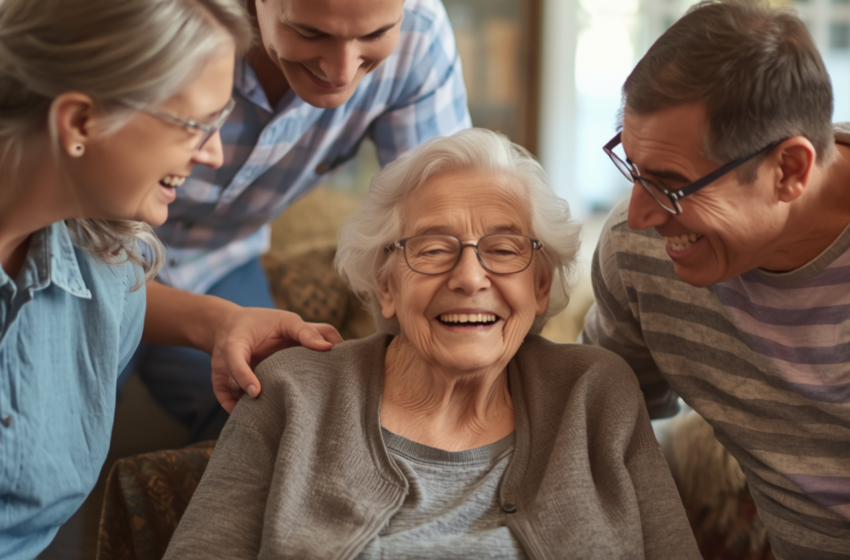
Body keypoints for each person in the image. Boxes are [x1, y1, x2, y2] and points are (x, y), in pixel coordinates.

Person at [163, 129, 700, 560]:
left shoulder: (595, 395)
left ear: (540, 287)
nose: (469, 277)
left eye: (504, 248)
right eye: (434, 248)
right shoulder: (294, 391)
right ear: (387, 286)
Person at [0, 0, 339, 557]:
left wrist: (222, 321)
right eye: (195, 125)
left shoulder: (103, 260)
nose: (214, 153)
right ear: (80, 122)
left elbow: (101, 298)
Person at [126, 0, 472, 441]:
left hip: (220, 259)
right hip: (90, 251)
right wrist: (216, 322)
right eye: (311, 34)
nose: (343, 72)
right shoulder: (154, 18)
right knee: (50, 470)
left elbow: (444, 219)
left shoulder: (420, 36)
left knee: (282, 428)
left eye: (374, 35)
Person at [580, 0, 850, 557]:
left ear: (790, 170)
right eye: (633, 167)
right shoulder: (640, 255)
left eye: (672, 185)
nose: (638, 216)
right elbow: (592, 423)